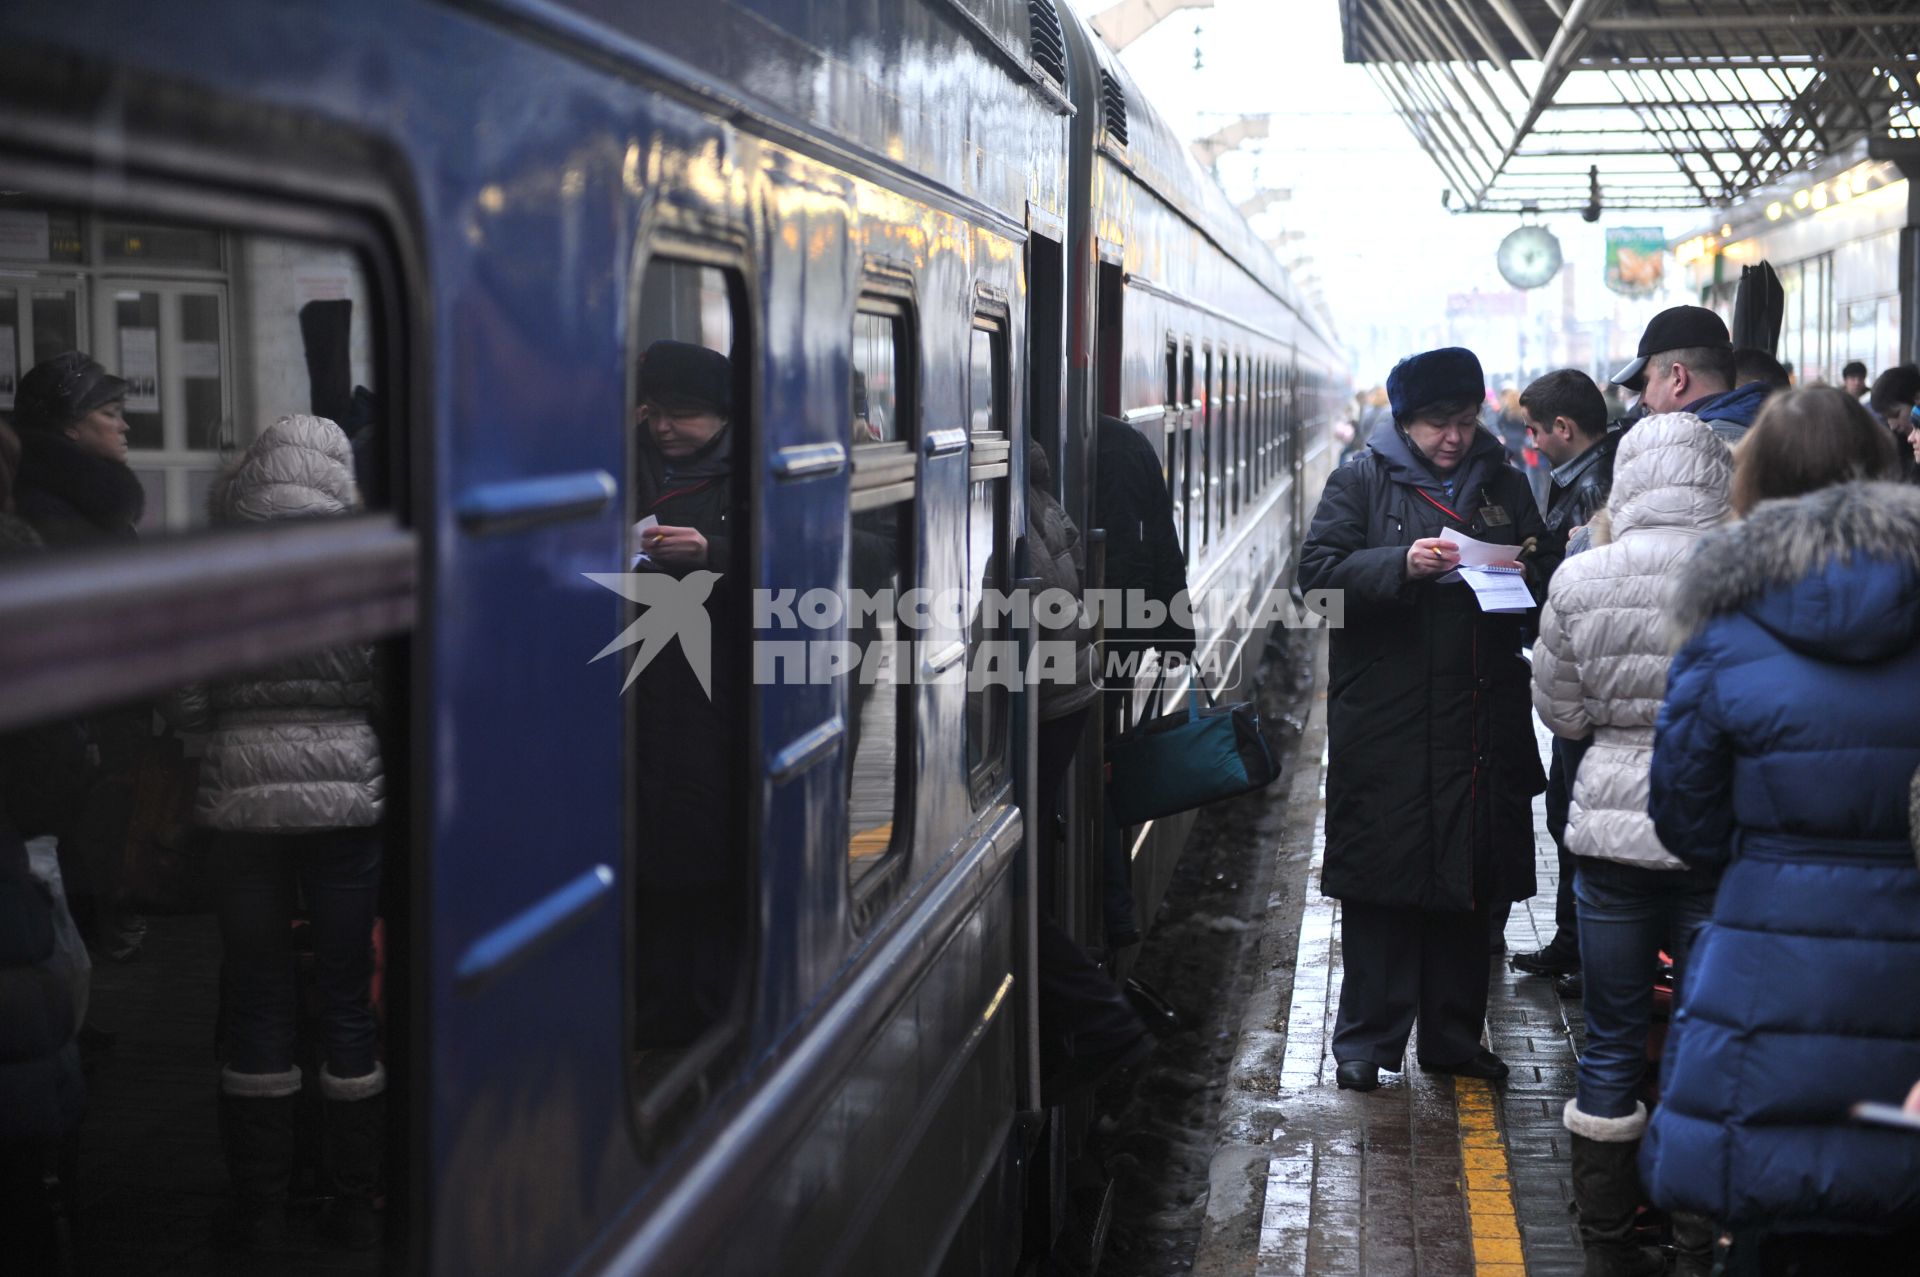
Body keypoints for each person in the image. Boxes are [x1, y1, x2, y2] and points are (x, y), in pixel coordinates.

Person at [1640, 387, 1920, 1269]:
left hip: (1766, 947)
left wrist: (1766, 861)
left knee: (1768, 1202)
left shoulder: (1724, 627)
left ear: (1752, 485)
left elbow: (1682, 812)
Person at [1297, 347, 1552, 1093]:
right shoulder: (1361, 480)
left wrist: (1518, 572)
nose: (1454, 436)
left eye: (1466, 421)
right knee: (1383, 885)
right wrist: (1397, 567)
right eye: (1439, 422)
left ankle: (1452, 1037)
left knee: (1469, 889)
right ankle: (1365, 1042)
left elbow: (1539, 565)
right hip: (1389, 721)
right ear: (1405, 421)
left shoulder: (1504, 482)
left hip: (1480, 715)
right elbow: (1316, 585)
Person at [171, 415, 386, 1251]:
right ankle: (352, 1201)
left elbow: (185, 698)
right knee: (345, 992)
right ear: (336, 478)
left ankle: (260, 1206)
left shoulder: (213, 569)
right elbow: (391, 690)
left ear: (250, 474)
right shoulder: (368, 564)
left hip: (242, 805)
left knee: (258, 990)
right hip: (346, 799)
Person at [1532, 414, 1733, 1277]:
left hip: (1611, 835)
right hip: (1716, 835)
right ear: (1715, 478)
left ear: (1628, 483)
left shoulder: (1582, 576)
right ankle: (1696, 1238)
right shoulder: (1748, 575)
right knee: (1702, 1038)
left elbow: (1564, 715)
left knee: (1612, 1039)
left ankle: (1607, 1242)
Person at [10, 351, 149, 963]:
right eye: (110, 414)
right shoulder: (48, 508)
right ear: (70, 427)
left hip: (101, 717)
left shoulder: (92, 500)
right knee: (66, 864)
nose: (125, 427)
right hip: (72, 728)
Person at [628, 340, 746, 1052]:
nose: (664, 426)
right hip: (642, 698)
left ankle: (701, 1019)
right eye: (653, 411)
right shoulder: (626, 463)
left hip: (718, 700)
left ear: (721, 415)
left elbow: (816, 578)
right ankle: (656, 1015)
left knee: (703, 857)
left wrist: (714, 558)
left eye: (683, 413)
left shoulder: (747, 475)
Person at [1028, 439, 1153, 1100]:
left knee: (1014, 892)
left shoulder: (1013, 503)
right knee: (1027, 877)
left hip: (1047, 701)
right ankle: (1098, 1020)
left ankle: (1107, 1024)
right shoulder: (1039, 492)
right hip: (1064, 694)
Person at [1507, 369, 1619, 989]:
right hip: (1579, 677)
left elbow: (1588, 587)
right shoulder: (1578, 477)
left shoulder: (1595, 486)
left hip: (1590, 680)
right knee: (1565, 811)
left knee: (1577, 815)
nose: (1531, 440)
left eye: (1535, 429)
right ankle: (1571, 942)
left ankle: (1584, 950)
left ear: (1563, 428)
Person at [1093, 413, 1193, 945]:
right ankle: (1116, 909)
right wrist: (1175, 628)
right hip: (1119, 634)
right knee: (1107, 765)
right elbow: (1162, 536)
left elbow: (1156, 537)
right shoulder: (1126, 443)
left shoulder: (1117, 445)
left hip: (1111, 639)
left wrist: (1174, 627)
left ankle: (1113, 907)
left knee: (1101, 768)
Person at [1609, 305, 1768, 446]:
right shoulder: (1777, 432)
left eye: (1645, 382)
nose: (1642, 400)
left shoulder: (1687, 452)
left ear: (1678, 378)